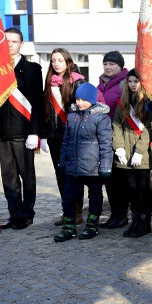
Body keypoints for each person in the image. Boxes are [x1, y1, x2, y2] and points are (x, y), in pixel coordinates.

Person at [0, 27, 44, 230]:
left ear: (21, 44)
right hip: (2, 132)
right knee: (8, 177)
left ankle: (26, 213)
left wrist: (35, 132)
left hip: (24, 132)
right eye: (6, 41)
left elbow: (38, 103)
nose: (10, 45)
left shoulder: (32, 69)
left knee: (27, 175)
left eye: (14, 41)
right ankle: (14, 213)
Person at [55, 83, 113, 242]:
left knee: (94, 197)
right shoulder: (72, 116)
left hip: (93, 169)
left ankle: (92, 226)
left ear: (92, 100)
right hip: (72, 167)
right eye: (77, 99)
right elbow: (66, 141)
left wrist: (106, 167)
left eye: (83, 100)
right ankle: (69, 228)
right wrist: (62, 162)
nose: (79, 103)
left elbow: (106, 145)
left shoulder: (101, 118)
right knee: (68, 198)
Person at [112, 69, 152, 238]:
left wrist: (139, 151)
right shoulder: (123, 102)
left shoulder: (148, 101)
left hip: (143, 151)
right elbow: (116, 125)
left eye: (136, 82)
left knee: (143, 188)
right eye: (130, 81)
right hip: (126, 148)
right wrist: (119, 147)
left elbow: (150, 127)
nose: (132, 85)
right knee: (131, 189)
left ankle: (144, 222)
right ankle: (135, 220)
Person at [42, 48, 85, 225]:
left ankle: (77, 212)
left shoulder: (78, 81)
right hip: (54, 136)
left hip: (72, 134)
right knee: (60, 174)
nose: (56, 64)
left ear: (68, 62)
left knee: (73, 174)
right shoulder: (49, 82)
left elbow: (83, 108)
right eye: (53, 60)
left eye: (60, 60)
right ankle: (67, 210)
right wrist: (44, 134)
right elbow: (45, 109)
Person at [98, 51, 130, 230]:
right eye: (105, 64)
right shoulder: (101, 83)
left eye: (111, 64)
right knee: (109, 178)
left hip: (120, 136)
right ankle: (115, 213)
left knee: (120, 179)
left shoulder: (125, 82)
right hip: (103, 137)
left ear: (120, 66)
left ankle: (122, 214)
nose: (108, 67)